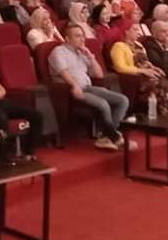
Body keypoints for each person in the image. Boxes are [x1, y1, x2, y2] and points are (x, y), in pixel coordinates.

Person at [49, 23, 134, 152]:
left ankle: (106, 136)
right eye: (77, 36)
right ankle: (114, 137)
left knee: (123, 100)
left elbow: (99, 74)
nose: (82, 39)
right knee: (102, 103)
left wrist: (90, 56)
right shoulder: (59, 51)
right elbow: (63, 72)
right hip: (69, 90)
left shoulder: (82, 52)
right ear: (67, 38)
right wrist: (74, 86)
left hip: (88, 87)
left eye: (83, 36)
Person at [110, 22, 168, 117]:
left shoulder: (139, 44)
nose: (139, 32)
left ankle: (166, 120)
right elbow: (120, 67)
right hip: (139, 78)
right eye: (135, 29)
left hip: (149, 74)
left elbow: (145, 61)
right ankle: (163, 121)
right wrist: (143, 71)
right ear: (126, 31)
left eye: (139, 29)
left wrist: (154, 68)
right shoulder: (119, 46)